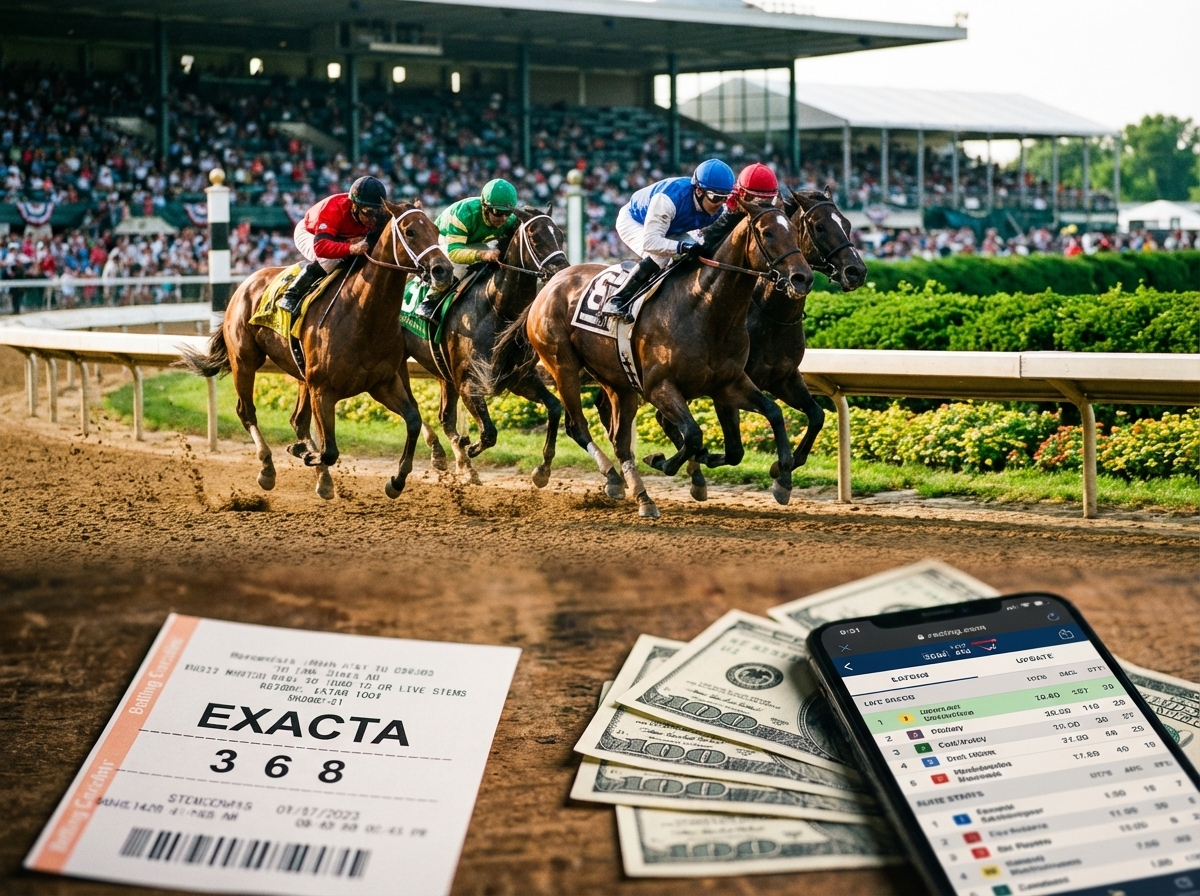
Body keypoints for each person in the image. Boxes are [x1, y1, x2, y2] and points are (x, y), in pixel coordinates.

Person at [600, 158, 735, 324]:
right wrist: (682, 247)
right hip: (635, 221)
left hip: (672, 226)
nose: (720, 204)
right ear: (699, 191)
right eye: (716, 198)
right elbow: (651, 243)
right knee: (660, 256)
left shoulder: (716, 204)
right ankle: (617, 300)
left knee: (702, 252)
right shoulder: (667, 200)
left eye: (725, 198)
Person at [412, 178, 519, 321]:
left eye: (508, 213)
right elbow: (454, 253)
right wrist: (483, 255)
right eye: (498, 212)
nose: (504, 218)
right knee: (456, 265)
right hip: (444, 239)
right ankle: (430, 301)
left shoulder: (510, 220)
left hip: (474, 241)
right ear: (485, 207)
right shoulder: (464, 213)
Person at [278, 176, 389, 315]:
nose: (373, 220)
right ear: (354, 205)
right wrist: (351, 248)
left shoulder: (374, 211)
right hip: (311, 234)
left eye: (377, 213)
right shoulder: (333, 209)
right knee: (330, 259)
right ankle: (292, 294)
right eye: (369, 213)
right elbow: (321, 247)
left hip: (342, 236)